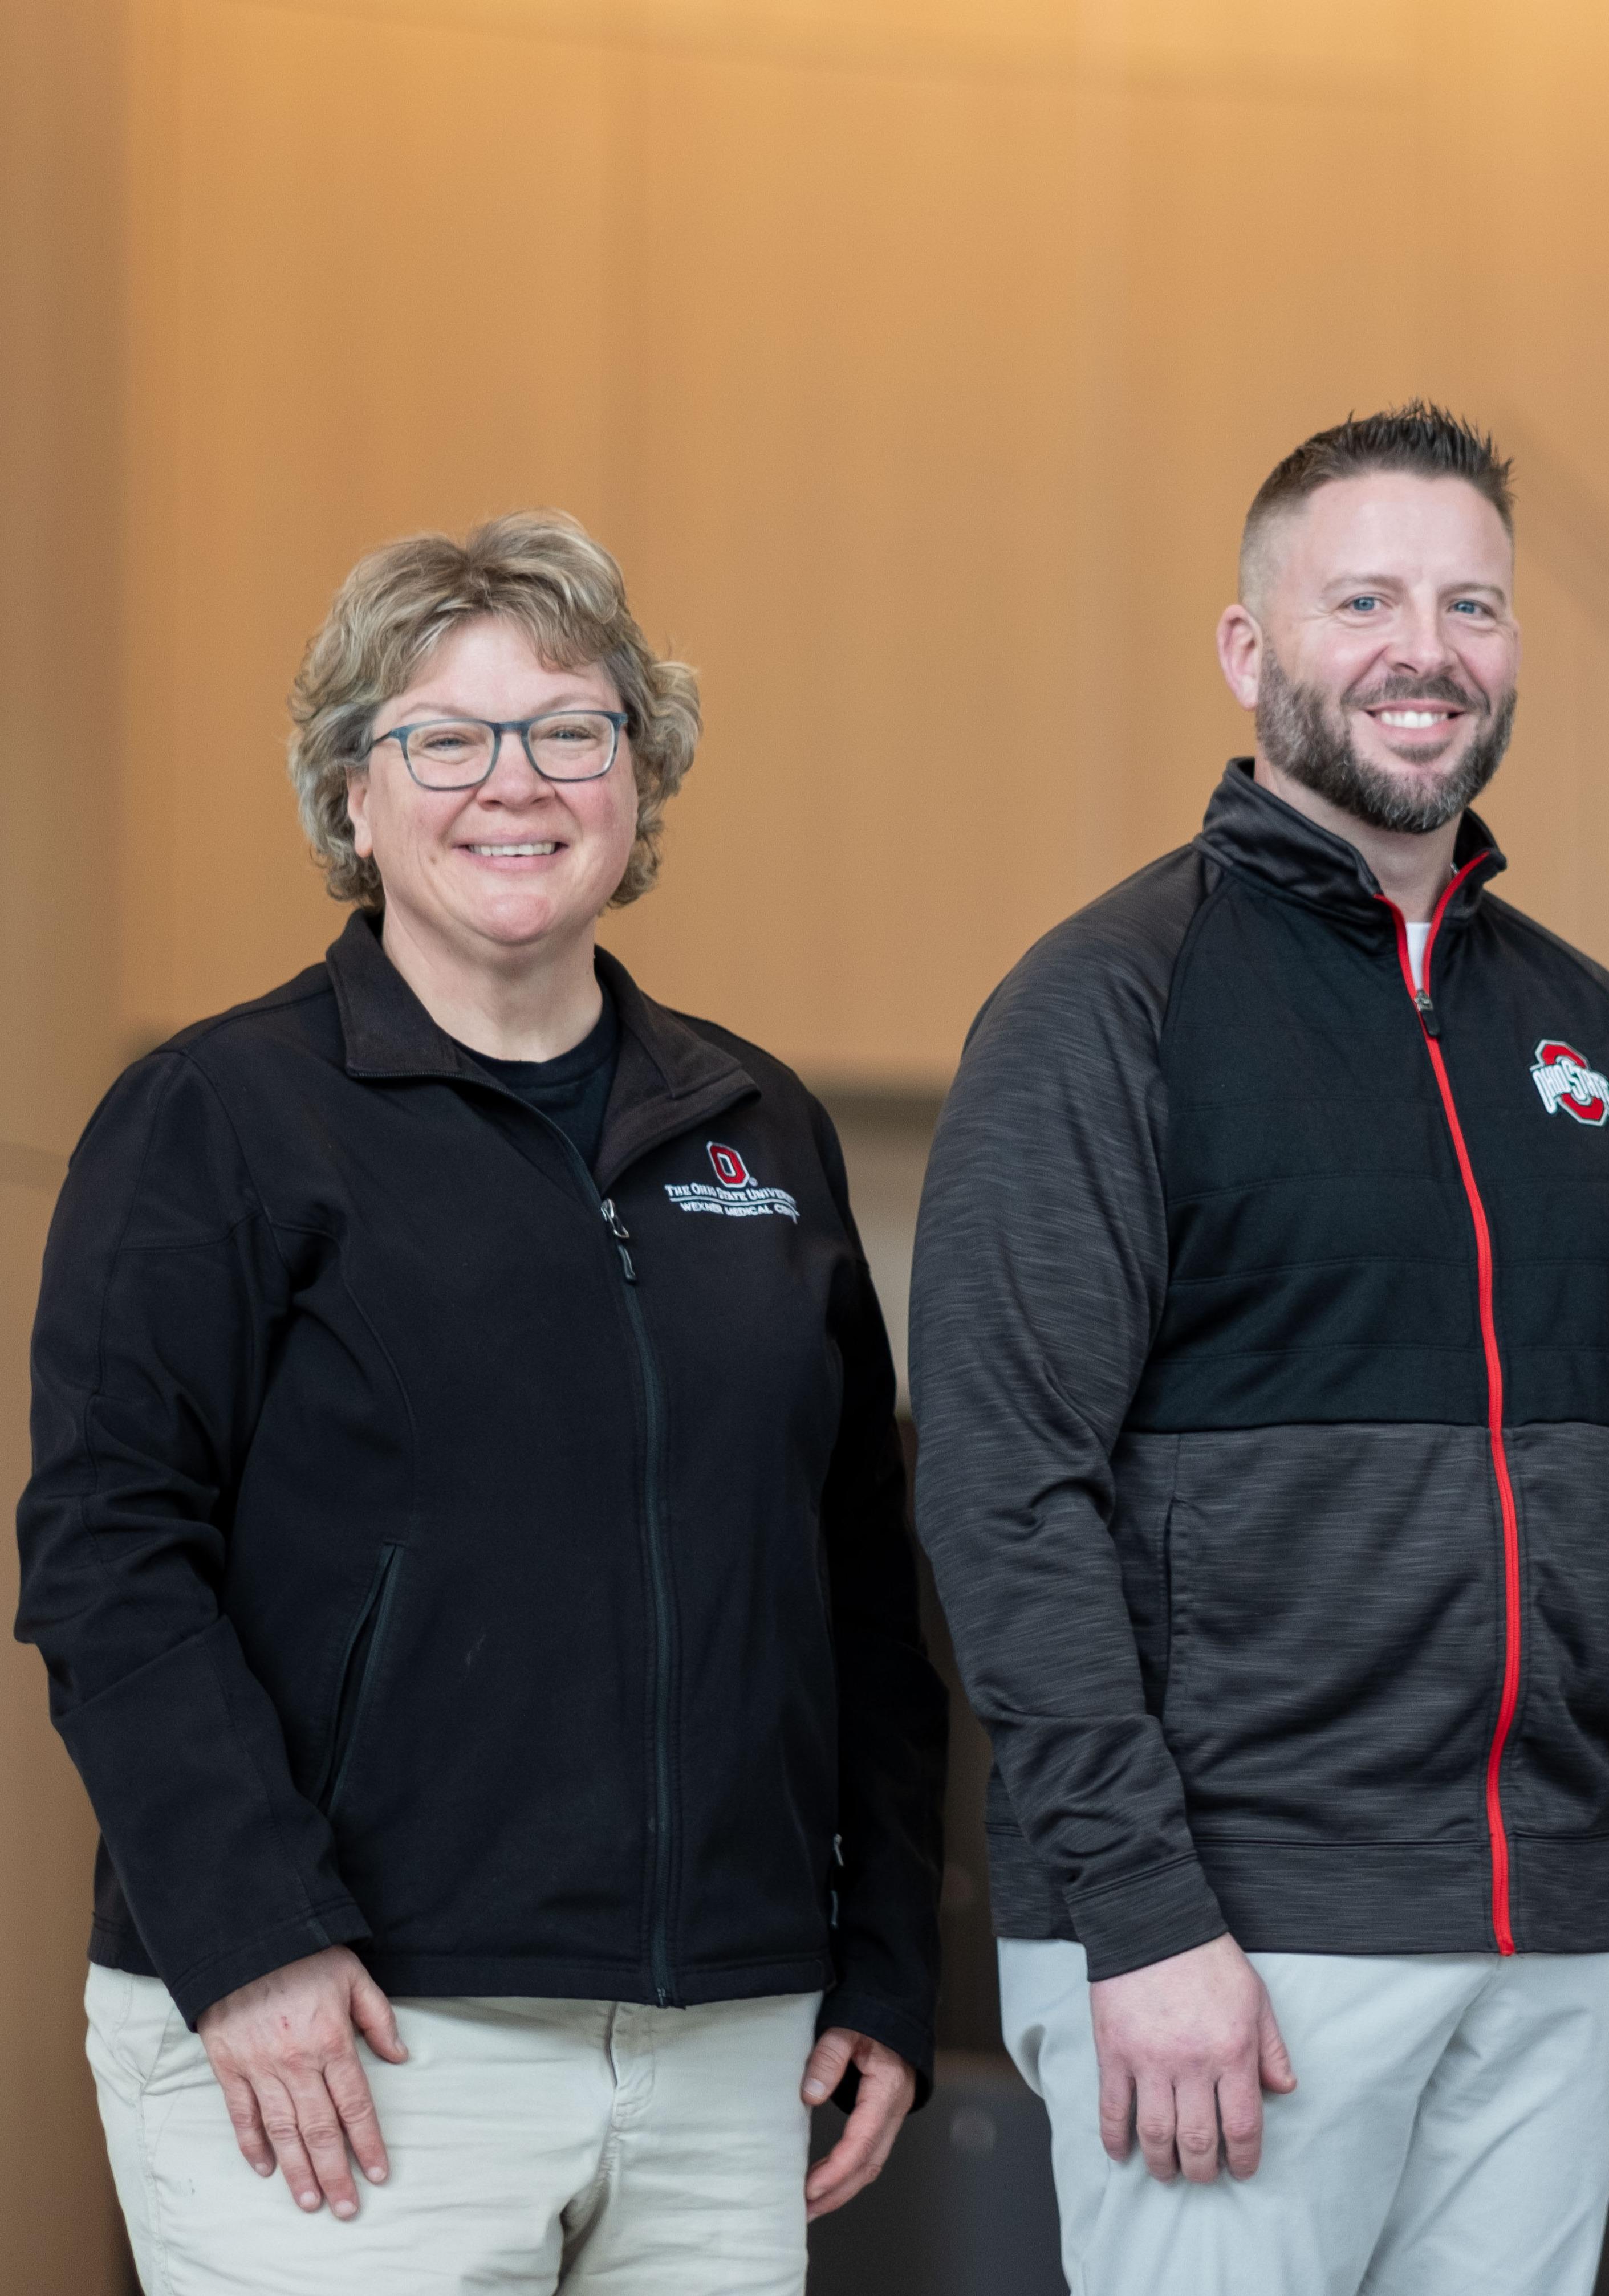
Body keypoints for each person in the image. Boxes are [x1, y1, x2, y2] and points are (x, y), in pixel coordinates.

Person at [17, 511, 947, 2293]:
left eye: (570, 731)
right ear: (353, 799)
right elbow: (106, 1556)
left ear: (638, 781)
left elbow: (859, 1600)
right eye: (441, 736)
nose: (511, 783)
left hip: (721, 2035)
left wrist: (885, 1954)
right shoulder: (221, 1118)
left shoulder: (761, 1130)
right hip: (354, 2031)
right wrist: (253, 1939)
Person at [908, 402, 1609, 2296]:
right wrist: (1138, 1917)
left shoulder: (1584, 1033)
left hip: (1555, 1940)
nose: (1424, 649)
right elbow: (1002, 1492)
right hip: (1228, 1941)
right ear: (1247, 650)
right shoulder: (1104, 1006)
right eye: (1362, 596)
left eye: (1471, 604)